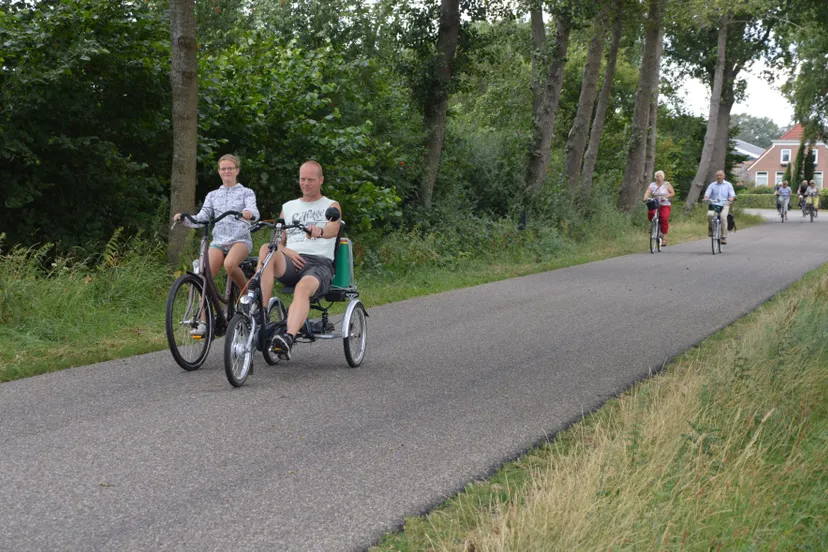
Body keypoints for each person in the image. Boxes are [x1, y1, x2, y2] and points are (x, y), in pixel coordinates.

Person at [258, 160, 342, 360]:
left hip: (318, 264)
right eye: (302, 179)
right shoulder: (288, 207)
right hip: (291, 261)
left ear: (321, 180)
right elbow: (277, 242)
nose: (306, 183)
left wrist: (319, 230)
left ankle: (288, 337)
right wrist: (285, 251)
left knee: (302, 289)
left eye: (311, 179)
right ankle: (260, 312)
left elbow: (333, 229)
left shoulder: (330, 205)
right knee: (265, 249)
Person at [174, 154, 259, 336]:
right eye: (223, 169)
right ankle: (205, 322)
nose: (227, 171)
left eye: (230, 168)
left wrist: (248, 213)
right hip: (219, 241)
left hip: (240, 239)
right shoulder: (213, 195)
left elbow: (254, 212)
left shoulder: (246, 192)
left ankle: (248, 297)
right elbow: (202, 218)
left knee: (230, 265)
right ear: (219, 172)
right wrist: (185, 219)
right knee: (203, 277)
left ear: (237, 170)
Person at [642, 170, 676, 246]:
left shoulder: (666, 184)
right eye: (657, 176)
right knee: (651, 213)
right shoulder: (652, 184)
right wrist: (646, 197)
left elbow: (672, 193)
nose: (659, 177)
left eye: (660, 176)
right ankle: (653, 225)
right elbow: (648, 191)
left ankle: (664, 238)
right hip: (655, 202)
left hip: (665, 203)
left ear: (663, 177)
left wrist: (666, 197)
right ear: (655, 177)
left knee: (664, 218)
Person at [703, 170, 736, 244]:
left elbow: (732, 195)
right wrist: (706, 198)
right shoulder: (712, 185)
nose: (719, 177)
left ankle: (723, 237)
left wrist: (731, 199)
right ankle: (711, 228)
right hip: (714, 203)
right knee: (709, 215)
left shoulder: (728, 185)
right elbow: (707, 194)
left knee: (723, 217)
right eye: (717, 175)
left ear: (724, 176)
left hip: (725, 204)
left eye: (720, 175)